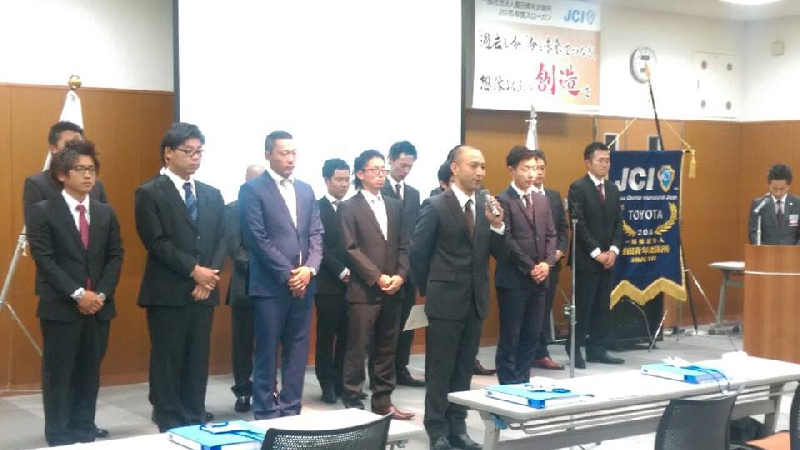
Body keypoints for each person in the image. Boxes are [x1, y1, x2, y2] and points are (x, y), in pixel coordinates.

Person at [27, 140, 123, 446]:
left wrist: (100, 295)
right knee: (59, 375)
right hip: (61, 307)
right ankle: (59, 436)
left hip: (99, 308)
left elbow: (115, 256)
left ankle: (85, 430)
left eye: (91, 169)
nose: (88, 175)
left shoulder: (105, 212)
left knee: (89, 373)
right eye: (80, 169)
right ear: (61, 174)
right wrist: (79, 294)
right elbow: (45, 260)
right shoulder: (43, 212)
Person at [412, 146, 508, 450]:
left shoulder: (486, 205)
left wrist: (498, 226)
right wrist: (431, 290)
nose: (479, 172)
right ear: (454, 168)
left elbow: (501, 253)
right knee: (440, 369)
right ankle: (436, 429)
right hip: (444, 301)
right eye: (473, 165)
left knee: (464, 369)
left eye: (483, 166)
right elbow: (418, 254)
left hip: (475, 300)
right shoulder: (435, 205)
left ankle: (458, 426)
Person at [135, 122, 226, 431]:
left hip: (205, 290)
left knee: (197, 358)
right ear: (168, 153)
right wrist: (194, 271)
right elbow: (156, 242)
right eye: (188, 152)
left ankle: (194, 413)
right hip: (168, 291)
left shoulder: (212, 194)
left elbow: (222, 238)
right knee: (168, 358)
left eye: (199, 152)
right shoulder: (149, 192)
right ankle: (168, 416)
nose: (195, 158)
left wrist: (209, 277)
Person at [238, 130, 323, 420]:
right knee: (266, 351)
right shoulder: (252, 190)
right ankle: (265, 411)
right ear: (268, 155)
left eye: (294, 153)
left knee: (298, 351)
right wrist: (289, 275)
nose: (290, 159)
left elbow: (316, 234)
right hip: (271, 286)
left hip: (305, 284)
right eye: (284, 153)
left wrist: (309, 269)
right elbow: (257, 238)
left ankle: (290, 409)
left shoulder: (306, 190)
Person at [340, 150, 414, 420]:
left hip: (393, 288)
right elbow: (350, 248)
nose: (381, 175)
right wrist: (377, 276)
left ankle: (383, 401)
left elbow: (405, 244)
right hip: (364, 290)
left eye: (383, 169)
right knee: (357, 348)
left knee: (387, 348)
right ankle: (353, 403)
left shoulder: (394, 205)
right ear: (360, 174)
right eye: (375, 170)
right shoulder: (349, 206)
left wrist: (400, 275)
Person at [494, 146, 556, 385]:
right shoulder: (503, 200)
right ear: (512, 170)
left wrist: (547, 264)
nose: (531, 174)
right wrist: (531, 267)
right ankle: (507, 386)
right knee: (511, 336)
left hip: (540, 280)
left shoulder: (541, 199)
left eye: (534, 168)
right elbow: (507, 239)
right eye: (525, 169)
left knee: (531, 335)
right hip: (514, 280)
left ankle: (523, 382)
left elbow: (551, 235)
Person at [567, 142, 624, 369]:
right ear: (588, 163)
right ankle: (574, 347)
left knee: (602, 307)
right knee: (583, 307)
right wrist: (597, 253)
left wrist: (614, 251)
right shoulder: (578, 187)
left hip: (608, 259)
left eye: (608, 160)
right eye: (601, 160)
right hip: (586, 260)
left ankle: (597, 348)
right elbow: (578, 225)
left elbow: (619, 223)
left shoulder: (613, 189)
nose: (605, 164)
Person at [382, 141, 424, 387]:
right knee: (386, 326)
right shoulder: (379, 189)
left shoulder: (414, 194)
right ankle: (382, 371)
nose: (405, 171)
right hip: (385, 270)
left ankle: (401, 367)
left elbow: (414, 231)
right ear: (390, 160)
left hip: (409, 269)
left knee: (407, 323)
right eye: (402, 165)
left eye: (410, 166)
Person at [224, 164, 265, 412]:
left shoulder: (272, 206)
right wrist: (266, 265)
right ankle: (243, 390)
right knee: (243, 344)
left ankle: (266, 388)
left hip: (272, 287)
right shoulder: (233, 209)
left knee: (268, 341)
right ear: (246, 181)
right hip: (244, 285)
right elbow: (234, 248)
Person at [315, 158, 352, 404]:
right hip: (327, 282)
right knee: (327, 335)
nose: (344, 184)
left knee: (348, 336)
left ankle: (342, 381)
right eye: (339, 179)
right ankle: (326, 383)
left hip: (353, 283)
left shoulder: (352, 207)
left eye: (347, 179)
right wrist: (340, 270)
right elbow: (318, 244)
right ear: (327, 180)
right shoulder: (316, 207)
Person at [23, 121, 108, 223]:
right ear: (53, 148)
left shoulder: (96, 185)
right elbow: (35, 224)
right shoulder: (37, 184)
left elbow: (105, 222)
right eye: (70, 144)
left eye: (79, 144)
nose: (76, 149)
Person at [530, 149, 567, 371]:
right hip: (529, 266)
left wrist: (558, 252)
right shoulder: (518, 197)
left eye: (542, 168)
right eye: (534, 168)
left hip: (551, 264)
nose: (538, 172)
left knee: (544, 311)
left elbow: (562, 229)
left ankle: (541, 353)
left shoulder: (553, 196)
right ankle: (526, 352)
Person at [748, 163, 800, 245]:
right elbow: (753, 234)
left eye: (782, 189)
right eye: (774, 189)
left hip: (793, 252)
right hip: (766, 251)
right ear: (769, 185)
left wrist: (796, 250)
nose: (778, 193)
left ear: (788, 186)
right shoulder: (759, 205)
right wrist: (762, 250)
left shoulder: (798, 203)